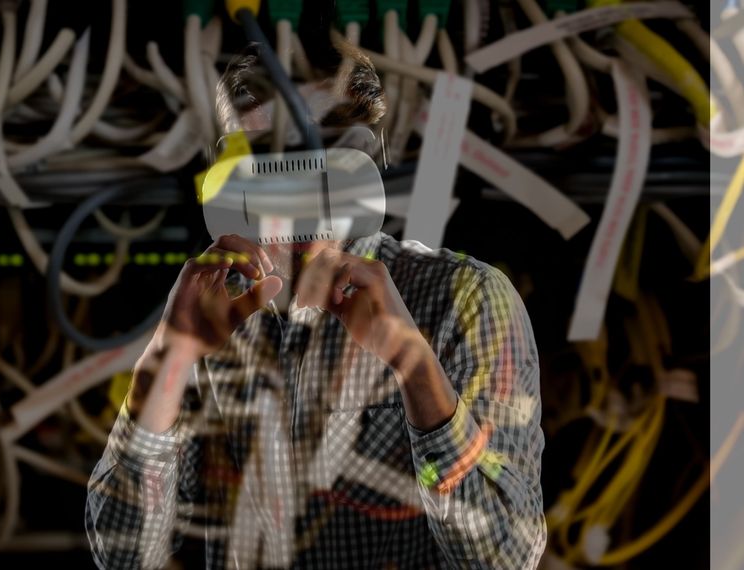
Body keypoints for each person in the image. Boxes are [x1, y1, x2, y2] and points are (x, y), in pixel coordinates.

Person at [85, 36, 546, 569]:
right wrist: (169, 358)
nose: (299, 188)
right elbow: (123, 558)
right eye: (268, 158)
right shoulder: (206, 314)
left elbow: (505, 560)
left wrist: (415, 367)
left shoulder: (465, 299)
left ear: (374, 161)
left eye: (323, 151)